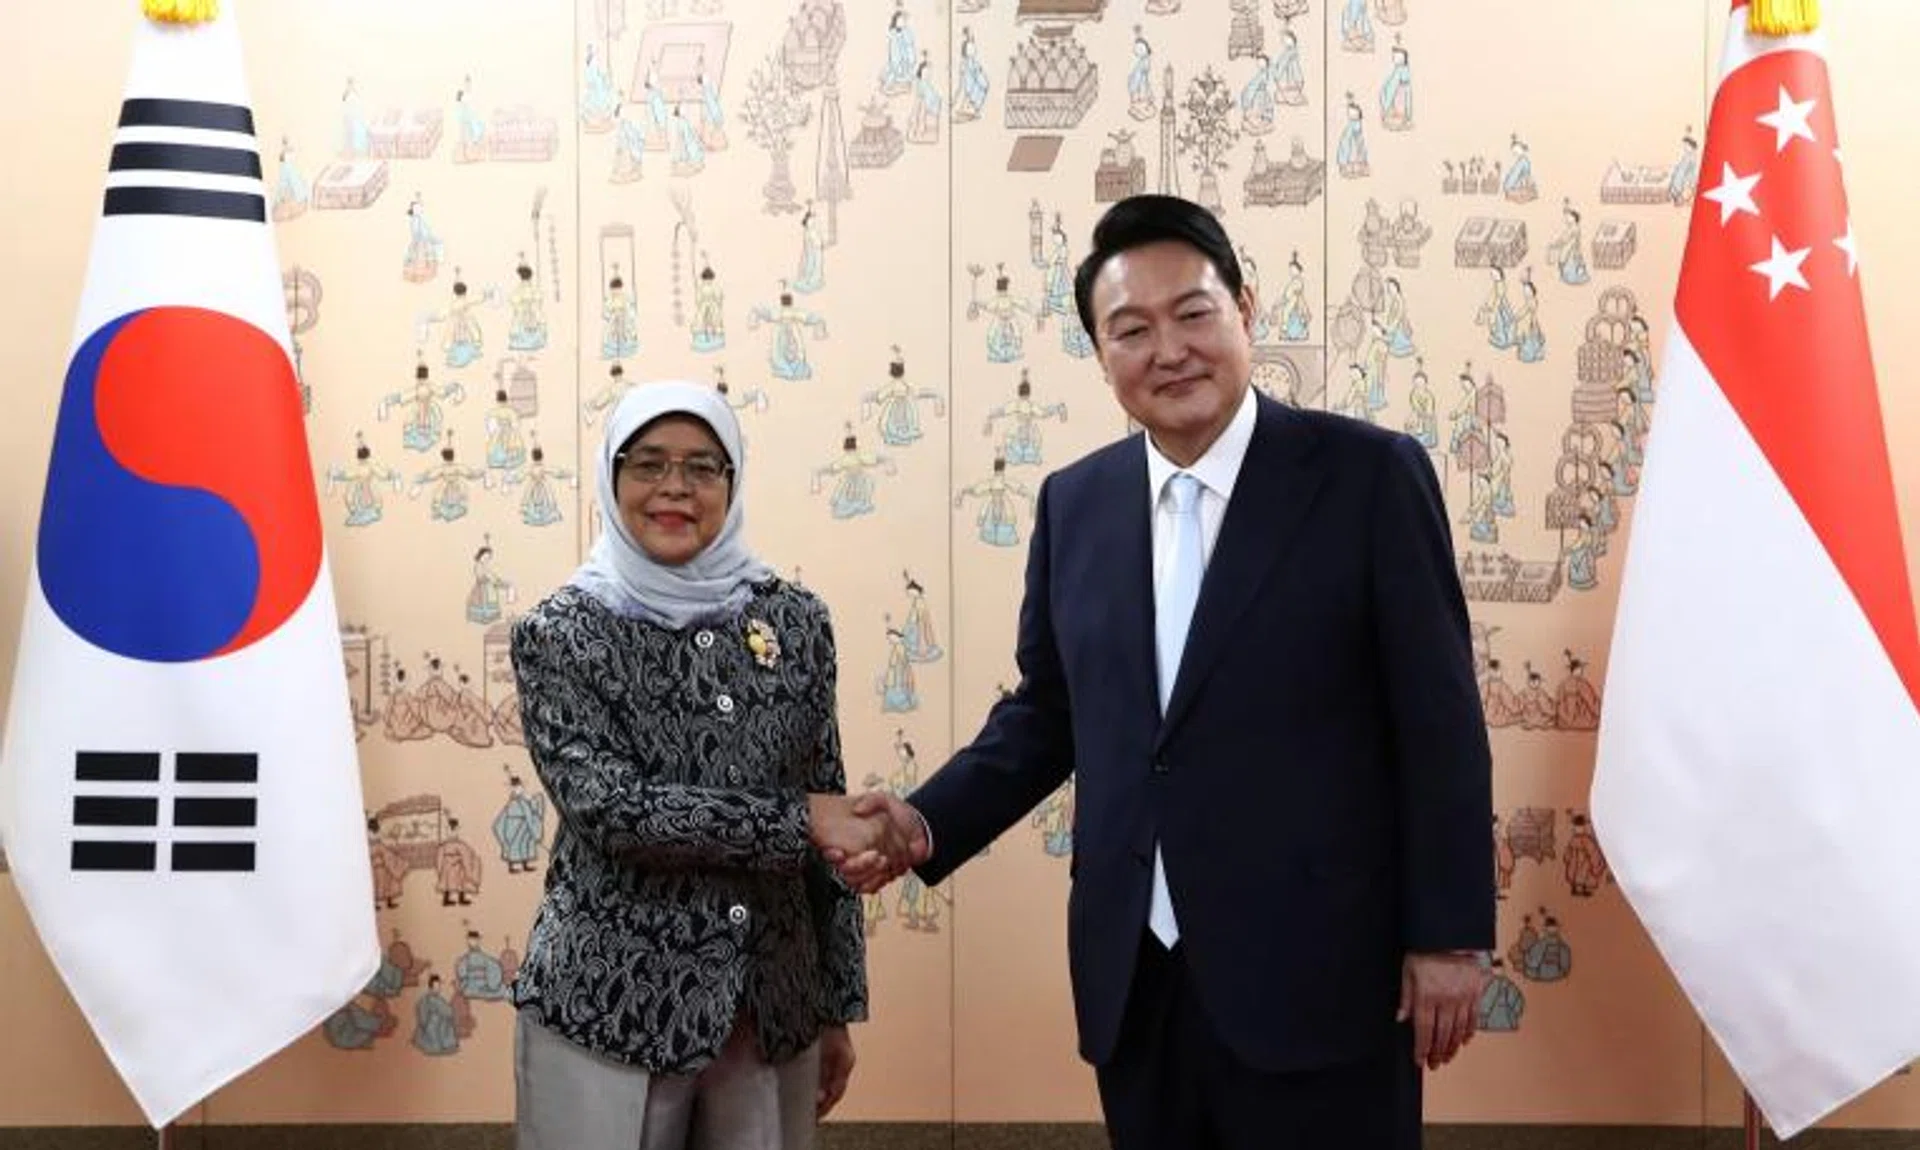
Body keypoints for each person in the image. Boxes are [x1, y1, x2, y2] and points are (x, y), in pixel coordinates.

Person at [842, 195, 1494, 1149]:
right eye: (1131, 330)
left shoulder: (1368, 478)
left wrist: (1447, 935)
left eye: (1193, 313)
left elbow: (1438, 722)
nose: (1170, 350)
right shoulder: (1078, 503)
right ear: (1103, 357)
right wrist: (924, 819)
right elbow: (1050, 712)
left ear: (1247, 309)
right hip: (1137, 979)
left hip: (1323, 977)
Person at [509, 382, 900, 1149]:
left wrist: (833, 1008)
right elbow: (614, 813)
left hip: (769, 1011)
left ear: (734, 481)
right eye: (647, 464)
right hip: (608, 1009)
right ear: (610, 478)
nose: (674, 489)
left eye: (702, 468)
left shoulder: (796, 621)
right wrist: (801, 821)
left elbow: (828, 816)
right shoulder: (560, 634)